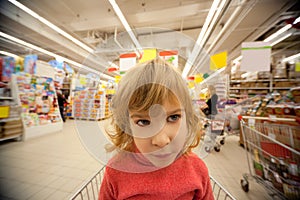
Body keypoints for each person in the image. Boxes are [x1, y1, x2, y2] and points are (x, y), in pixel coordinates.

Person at [99, 58, 214, 199]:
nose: (161, 140)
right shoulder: (116, 171)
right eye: (143, 122)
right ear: (126, 125)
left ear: (188, 118)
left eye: (173, 118)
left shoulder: (197, 169)